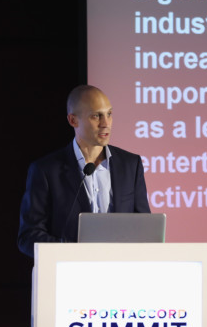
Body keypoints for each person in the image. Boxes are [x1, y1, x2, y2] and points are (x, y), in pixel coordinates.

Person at [17, 85, 150, 257]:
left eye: (109, 114)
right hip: (70, 273)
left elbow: (145, 229)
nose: (105, 123)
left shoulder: (131, 165)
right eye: (96, 116)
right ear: (73, 120)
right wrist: (75, 253)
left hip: (120, 271)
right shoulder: (46, 170)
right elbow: (28, 237)